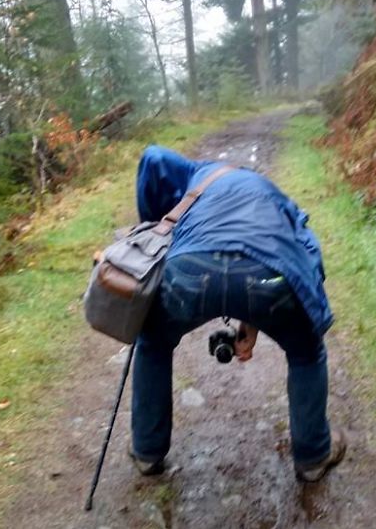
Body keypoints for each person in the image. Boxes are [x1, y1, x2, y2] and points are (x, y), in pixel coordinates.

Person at [130, 144, 346, 483]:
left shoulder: (191, 178)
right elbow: (305, 251)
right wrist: (310, 320)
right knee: (306, 352)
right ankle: (313, 457)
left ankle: (147, 451)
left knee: (153, 343)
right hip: (268, 275)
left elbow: (153, 157)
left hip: (188, 269)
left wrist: (152, 220)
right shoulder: (269, 192)